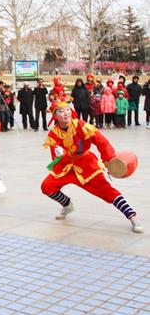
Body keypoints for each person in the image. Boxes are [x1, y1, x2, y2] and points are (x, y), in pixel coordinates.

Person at [41, 100, 143, 234]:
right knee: (47, 186)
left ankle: (132, 216)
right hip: (67, 168)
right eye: (61, 111)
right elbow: (55, 159)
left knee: (107, 191)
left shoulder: (82, 126)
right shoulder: (53, 134)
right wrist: (60, 155)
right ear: (55, 116)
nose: (66, 113)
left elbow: (102, 142)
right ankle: (67, 205)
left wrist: (108, 161)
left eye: (67, 109)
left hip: (87, 165)